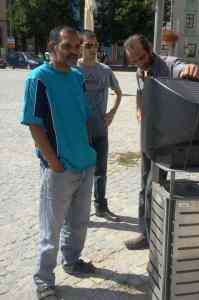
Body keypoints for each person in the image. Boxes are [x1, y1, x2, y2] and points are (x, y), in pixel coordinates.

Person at [20, 26, 97, 300]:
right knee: (50, 228)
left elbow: (82, 115)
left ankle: (72, 261)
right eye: (68, 46)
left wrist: (89, 149)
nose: (75, 51)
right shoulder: (38, 79)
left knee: (78, 222)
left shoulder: (77, 77)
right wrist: (53, 162)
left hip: (85, 163)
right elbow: (33, 123)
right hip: (59, 168)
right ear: (52, 47)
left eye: (77, 46)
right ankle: (43, 280)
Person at [123, 34, 199, 250]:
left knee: (152, 187)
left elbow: (183, 67)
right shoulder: (140, 71)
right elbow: (141, 92)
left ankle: (152, 235)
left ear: (149, 49)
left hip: (167, 141)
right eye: (134, 60)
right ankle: (146, 231)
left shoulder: (168, 65)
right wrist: (139, 109)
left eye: (141, 57)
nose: (139, 63)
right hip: (149, 138)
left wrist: (191, 68)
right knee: (144, 186)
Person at [78, 30, 122, 222]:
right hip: (78, 134)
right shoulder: (73, 70)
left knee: (100, 171)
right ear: (80, 46)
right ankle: (77, 211)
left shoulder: (105, 70)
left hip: (99, 131)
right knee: (77, 173)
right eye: (88, 45)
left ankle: (101, 207)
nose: (93, 49)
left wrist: (112, 112)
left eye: (95, 45)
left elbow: (118, 92)